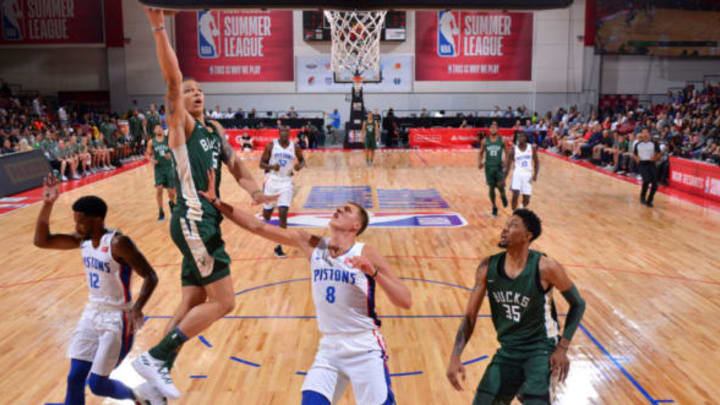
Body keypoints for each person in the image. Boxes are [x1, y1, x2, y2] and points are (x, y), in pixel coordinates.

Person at [132, 7, 277, 400]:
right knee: (224, 301)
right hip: (195, 219)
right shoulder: (183, 123)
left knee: (192, 301)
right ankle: (156, 358)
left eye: (200, 90)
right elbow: (173, 80)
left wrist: (256, 193)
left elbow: (237, 167)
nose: (195, 93)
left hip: (203, 220)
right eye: (190, 90)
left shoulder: (214, 130)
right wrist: (159, 26)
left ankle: (154, 381)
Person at [197, 168, 412, 405]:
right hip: (330, 347)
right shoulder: (312, 244)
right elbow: (256, 227)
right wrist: (217, 202)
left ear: (356, 226)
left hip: (364, 346)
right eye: (340, 207)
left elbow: (405, 300)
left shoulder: (366, 252)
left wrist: (374, 273)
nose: (339, 209)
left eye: (347, 210)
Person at [33, 175, 165, 405]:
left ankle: (140, 396)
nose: (76, 226)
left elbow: (151, 276)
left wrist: (137, 308)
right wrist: (47, 204)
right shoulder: (81, 240)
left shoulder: (118, 243)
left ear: (96, 220)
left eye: (80, 221)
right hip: (92, 312)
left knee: (96, 384)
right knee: (74, 377)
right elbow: (41, 242)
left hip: (116, 318)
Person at [446, 209, 586, 405]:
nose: (504, 229)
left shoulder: (545, 267)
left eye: (512, 225)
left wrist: (562, 348)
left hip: (541, 350)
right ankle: (520, 386)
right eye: (506, 224)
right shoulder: (487, 267)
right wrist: (455, 356)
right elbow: (470, 316)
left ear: (527, 236)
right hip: (509, 349)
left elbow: (578, 304)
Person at [259, 126, 305, 258]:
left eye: (287, 132)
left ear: (289, 134)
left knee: (283, 213)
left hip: (286, 182)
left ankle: (278, 246)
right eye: (282, 132)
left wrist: (299, 166)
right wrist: (271, 166)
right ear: (279, 133)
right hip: (272, 181)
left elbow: (302, 160)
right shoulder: (270, 146)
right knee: (267, 214)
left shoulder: (295, 147)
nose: (285, 134)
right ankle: (267, 221)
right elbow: (261, 164)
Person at [146, 123, 177, 221]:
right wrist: (151, 160)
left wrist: (170, 155)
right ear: (154, 131)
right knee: (159, 189)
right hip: (159, 168)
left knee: (171, 192)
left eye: (160, 128)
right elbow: (147, 154)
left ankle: (172, 204)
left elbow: (175, 150)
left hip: (169, 168)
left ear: (163, 130)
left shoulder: (168, 139)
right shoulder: (151, 142)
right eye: (156, 128)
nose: (158, 129)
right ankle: (161, 211)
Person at [478, 122, 509, 217]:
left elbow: (507, 153)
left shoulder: (502, 140)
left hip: (499, 167)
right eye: (491, 127)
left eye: (495, 127)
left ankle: (503, 196)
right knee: (491, 188)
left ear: (498, 129)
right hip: (489, 167)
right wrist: (480, 162)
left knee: (501, 186)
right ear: (489, 129)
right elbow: (480, 153)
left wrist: (505, 161)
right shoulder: (484, 140)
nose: (493, 129)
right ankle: (494, 207)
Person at [504, 132, 539, 210]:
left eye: (522, 136)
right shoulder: (513, 150)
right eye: (519, 136)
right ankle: (514, 212)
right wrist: (503, 179)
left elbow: (536, 162)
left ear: (526, 138)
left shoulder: (531, 148)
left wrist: (536, 174)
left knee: (527, 199)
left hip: (528, 175)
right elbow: (507, 166)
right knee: (515, 194)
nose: (520, 138)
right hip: (517, 174)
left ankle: (521, 208)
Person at [633, 128, 661, 207]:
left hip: (651, 163)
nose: (644, 134)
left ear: (649, 134)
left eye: (646, 132)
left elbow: (659, 153)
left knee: (655, 185)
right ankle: (642, 197)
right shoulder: (638, 144)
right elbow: (634, 153)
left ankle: (650, 200)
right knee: (646, 180)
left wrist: (655, 158)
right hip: (642, 164)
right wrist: (636, 159)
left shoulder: (654, 143)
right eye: (643, 132)